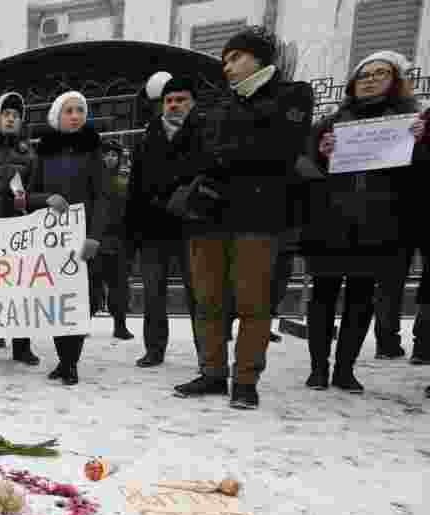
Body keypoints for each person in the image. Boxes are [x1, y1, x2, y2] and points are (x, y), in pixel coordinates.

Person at [172, 27, 314, 409]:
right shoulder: (219, 104)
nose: (228, 66)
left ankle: (246, 381)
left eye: (235, 57)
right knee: (209, 301)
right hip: (209, 216)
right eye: (225, 60)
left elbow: (280, 149)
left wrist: (225, 155)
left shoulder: (292, 94)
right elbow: (194, 156)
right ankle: (213, 373)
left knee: (254, 304)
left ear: (259, 58)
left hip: (258, 216)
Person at [304, 51, 428, 392]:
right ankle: (318, 368)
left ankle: (345, 369)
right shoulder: (331, 122)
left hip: (379, 223)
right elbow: (305, 165)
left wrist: (421, 143)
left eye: (380, 74)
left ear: (395, 81)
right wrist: (321, 152)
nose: (370, 79)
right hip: (331, 221)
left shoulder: (409, 122)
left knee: (361, 298)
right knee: (323, 295)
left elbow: (418, 177)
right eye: (364, 75)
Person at [126, 76, 208, 368]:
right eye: (169, 100)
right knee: (153, 293)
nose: (174, 105)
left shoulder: (206, 133)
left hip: (193, 226)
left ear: (192, 103)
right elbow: (134, 188)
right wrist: (132, 232)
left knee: (199, 293)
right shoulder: (147, 138)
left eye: (180, 100)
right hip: (152, 229)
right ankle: (154, 349)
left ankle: (206, 354)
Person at [26, 91, 106, 386]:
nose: (75, 115)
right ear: (57, 116)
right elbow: (27, 198)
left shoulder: (93, 150)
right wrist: (48, 198)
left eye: (80, 110)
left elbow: (102, 197)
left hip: (82, 240)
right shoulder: (44, 152)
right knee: (57, 302)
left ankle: (71, 362)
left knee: (79, 302)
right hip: (51, 242)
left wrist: (95, 236)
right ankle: (64, 359)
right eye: (69, 110)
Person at [0, 92, 43, 366]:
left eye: (15, 116)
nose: (11, 119)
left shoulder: (28, 153)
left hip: (17, 228)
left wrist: (25, 200)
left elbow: (35, 188)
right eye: (6, 114)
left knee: (21, 289)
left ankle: (22, 347)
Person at [92, 140, 134, 342]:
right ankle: (83, 324)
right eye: (106, 154)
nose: (110, 158)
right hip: (97, 240)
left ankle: (120, 325)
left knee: (119, 287)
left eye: (114, 155)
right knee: (92, 286)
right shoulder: (93, 179)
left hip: (119, 240)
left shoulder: (126, 180)